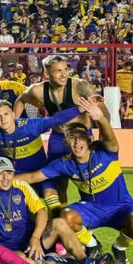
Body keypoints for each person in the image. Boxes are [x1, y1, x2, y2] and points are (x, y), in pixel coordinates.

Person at [16, 99, 133, 264]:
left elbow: (109, 137)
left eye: (81, 138)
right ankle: (92, 244)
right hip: (91, 208)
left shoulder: (106, 153)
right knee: (66, 216)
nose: (77, 142)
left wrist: (101, 119)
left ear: (89, 141)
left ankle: (119, 248)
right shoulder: (64, 163)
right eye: (72, 138)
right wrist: (2, 178)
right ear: (66, 142)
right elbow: (33, 176)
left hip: (121, 206)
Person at [0, 158, 114, 264]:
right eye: (0, 173)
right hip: (6, 248)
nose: (5, 177)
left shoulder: (21, 186)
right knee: (20, 259)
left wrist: (35, 238)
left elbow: (41, 211)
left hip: (32, 242)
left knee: (59, 223)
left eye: (8, 173)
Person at [13, 54, 110, 206]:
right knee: (59, 184)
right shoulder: (38, 90)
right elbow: (20, 100)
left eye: (66, 69)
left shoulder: (80, 86)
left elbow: (102, 109)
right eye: (58, 71)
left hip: (82, 139)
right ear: (47, 74)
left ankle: (91, 213)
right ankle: (62, 213)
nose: (64, 74)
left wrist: (105, 136)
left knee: (88, 181)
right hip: (58, 139)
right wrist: (14, 126)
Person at [0, 99, 84, 216]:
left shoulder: (31, 125)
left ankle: (58, 221)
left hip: (40, 173)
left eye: (6, 114)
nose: (3, 119)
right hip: (18, 177)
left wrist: (80, 108)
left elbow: (56, 119)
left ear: (13, 114)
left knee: (51, 196)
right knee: (25, 210)